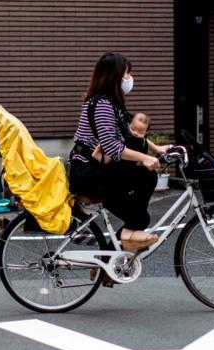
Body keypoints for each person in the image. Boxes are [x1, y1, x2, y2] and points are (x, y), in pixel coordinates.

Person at [68, 52, 160, 251]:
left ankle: (112, 256)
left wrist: (158, 149)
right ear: (114, 76)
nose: (129, 79)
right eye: (126, 74)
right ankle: (124, 239)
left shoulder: (113, 105)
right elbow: (111, 146)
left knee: (144, 193)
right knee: (140, 212)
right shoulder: (101, 104)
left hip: (100, 169)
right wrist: (144, 158)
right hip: (88, 172)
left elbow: (133, 134)